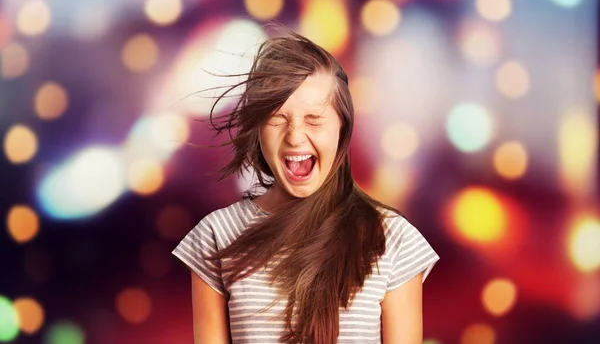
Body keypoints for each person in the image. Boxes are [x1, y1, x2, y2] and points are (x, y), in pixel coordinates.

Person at [172, 31, 440, 344]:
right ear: (258, 128)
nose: (295, 136)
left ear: (342, 125)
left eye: (314, 119)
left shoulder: (393, 238)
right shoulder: (216, 236)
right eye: (276, 118)